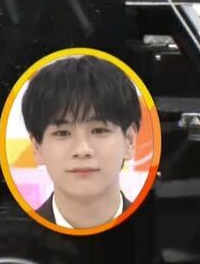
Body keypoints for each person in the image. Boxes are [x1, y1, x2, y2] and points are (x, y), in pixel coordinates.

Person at [20, 54, 141, 230]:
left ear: (129, 140)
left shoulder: (159, 232)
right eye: (62, 133)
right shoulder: (16, 238)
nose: (82, 150)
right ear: (37, 147)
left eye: (99, 130)